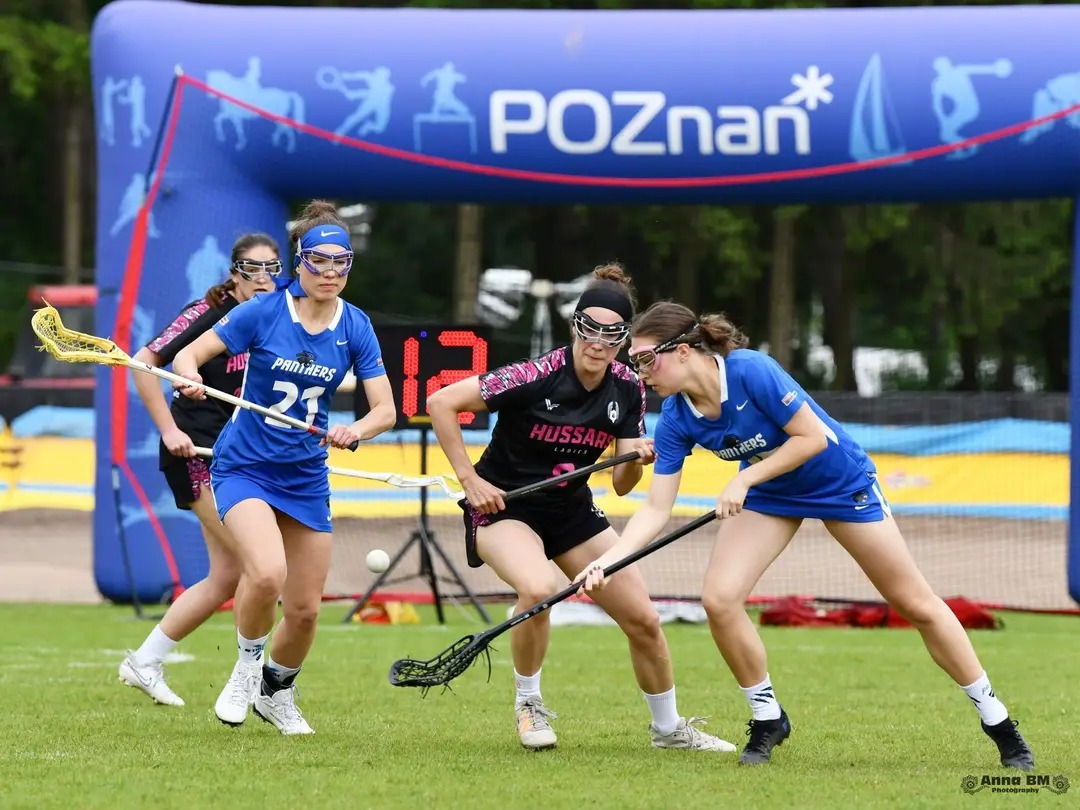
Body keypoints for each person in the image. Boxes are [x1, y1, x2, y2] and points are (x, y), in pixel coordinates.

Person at [576, 302, 1036, 770]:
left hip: (839, 483)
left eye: (646, 359)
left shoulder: (750, 371)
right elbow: (656, 508)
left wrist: (743, 479)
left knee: (915, 603)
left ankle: (998, 721)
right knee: (719, 599)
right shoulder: (676, 416)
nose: (640, 372)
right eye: (634, 361)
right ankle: (767, 717)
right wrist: (609, 561)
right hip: (773, 493)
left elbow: (811, 438)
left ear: (684, 351)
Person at [426, 263, 735, 754]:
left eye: (612, 333)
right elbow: (441, 402)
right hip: (506, 507)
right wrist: (471, 480)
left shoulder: (628, 386)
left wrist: (636, 458)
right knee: (537, 588)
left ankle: (668, 730)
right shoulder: (535, 374)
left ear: (624, 338)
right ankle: (529, 704)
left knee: (643, 619)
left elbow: (622, 487)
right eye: (590, 328)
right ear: (575, 326)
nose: (598, 342)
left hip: (571, 510)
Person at [171, 200, 396, 735]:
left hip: (305, 476)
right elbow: (187, 355)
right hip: (244, 466)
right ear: (300, 262)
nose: (330, 273)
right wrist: (188, 377)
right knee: (267, 572)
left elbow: (385, 410)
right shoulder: (263, 311)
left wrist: (356, 430)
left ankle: (276, 693)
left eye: (341, 263)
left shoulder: (355, 325)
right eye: (320, 261)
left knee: (305, 611)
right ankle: (247, 668)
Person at [118, 233, 282, 707]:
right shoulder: (206, 313)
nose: (263, 278)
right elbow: (144, 362)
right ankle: (249, 678)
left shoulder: (274, 317)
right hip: (196, 454)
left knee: (226, 576)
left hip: (238, 457)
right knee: (258, 565)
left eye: (272, 269)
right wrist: (170, 430)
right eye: (252, 269)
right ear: (234, 273)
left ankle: (144, 661)